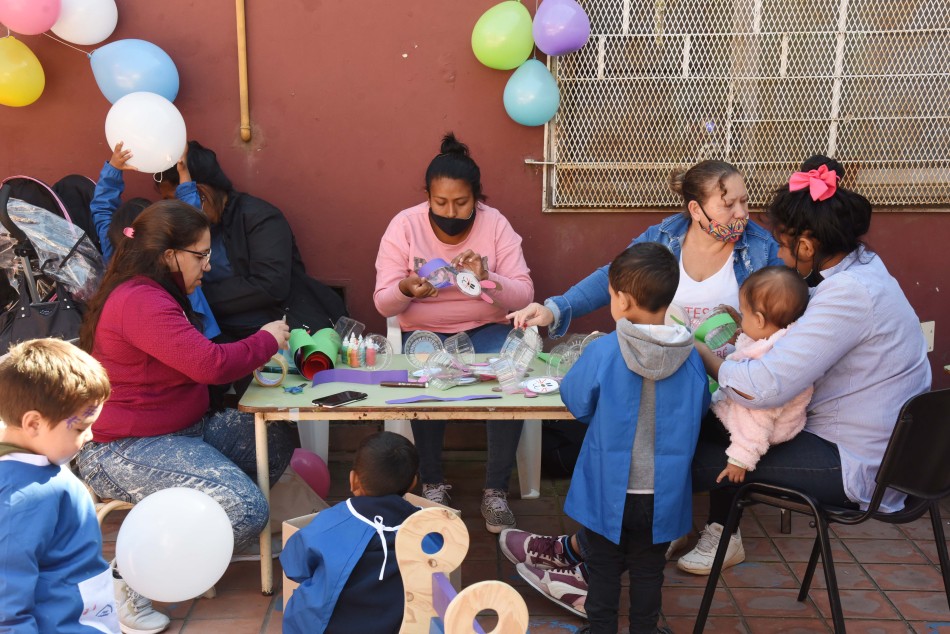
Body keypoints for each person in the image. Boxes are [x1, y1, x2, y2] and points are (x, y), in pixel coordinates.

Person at [500, 160, 784, 608]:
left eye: (745, 202)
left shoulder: (760, 248)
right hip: (671, 380)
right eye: (728, 204)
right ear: (696, 208)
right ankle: (612, 546)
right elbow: (614, 276)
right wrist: (555, 309)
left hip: (724, 385)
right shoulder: (664, 238)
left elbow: (786, 309)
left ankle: (720, 532)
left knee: (726, 425)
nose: (741, 213)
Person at [677, 157, 932, 575]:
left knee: (677, 455)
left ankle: (637, 547)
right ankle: (686, 531)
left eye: (782, 244)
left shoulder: (849, 294)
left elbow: (763, 387)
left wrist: (698, 351)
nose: (778, 253)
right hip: (875, 447)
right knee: (700, 425)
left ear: (807, 246)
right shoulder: (864, 270)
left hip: (853, 462)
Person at [74, 200, 296, 633]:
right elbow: (209, 365)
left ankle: (199, 531)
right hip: (125, 449)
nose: (207, 266)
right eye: (201, 255)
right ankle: (128, 576)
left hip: (183, 431)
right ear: (169, 255)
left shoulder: (156, 292)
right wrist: (266, 340)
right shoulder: (140, 301)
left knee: (272, 437)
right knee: (246, 509)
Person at [516, 244, 709, 632]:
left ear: (622, 299)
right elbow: (700, 407)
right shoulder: (691, 357)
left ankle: (601, 628)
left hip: (608, 487)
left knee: (603, 568)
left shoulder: (605, 350)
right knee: (649, 571)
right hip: (664, 491)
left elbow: (576, 399)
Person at [373, 132, 534, 533]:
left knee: (509, 374)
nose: (450, 211)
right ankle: (432, 482)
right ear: (427, 196)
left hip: (485, 328)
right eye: (440, 202)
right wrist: (405, 289)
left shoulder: (495, 224)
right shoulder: (405, 225)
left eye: (461, 203)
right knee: (427, 377)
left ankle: (495, 489)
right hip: (424, 332)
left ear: (477, 198)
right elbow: (383, 303)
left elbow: (524, 294)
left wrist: (488, 277)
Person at [156, 141, 346, 344]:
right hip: (220, 337)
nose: (172, 212)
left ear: (201, 193)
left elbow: (270, 284)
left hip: (280, 332)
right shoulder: (183, 233)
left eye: (173, 201)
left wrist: (196, 297)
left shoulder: (259, 218)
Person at [0, 338, 118, 634]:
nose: (90, 436)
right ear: (33, 424)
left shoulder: (37, 466)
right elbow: (6, 601)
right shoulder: (22, 496)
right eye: (80, 427)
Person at [281, 431, 420, 634]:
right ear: (413, 483)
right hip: (399, 627)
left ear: (353, 480)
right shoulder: (428, 527)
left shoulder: (330, 523)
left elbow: (294, 566)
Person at [91, 141, 220, 339]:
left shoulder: (113, 249)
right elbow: (191, 217)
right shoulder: (168, 250)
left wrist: (114, 169)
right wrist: (183, 172)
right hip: (199, 332)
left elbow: (101, 208)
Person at [709, 266, 812, 485]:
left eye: (744, 314)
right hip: (759, 422)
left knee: (701, 430)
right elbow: (752, 341)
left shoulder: (768, 367)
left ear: (759, 320)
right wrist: (739, 334)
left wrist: (741, 458)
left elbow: (758, 419)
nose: (742, 319)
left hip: (756, 432)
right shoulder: (785, 341)